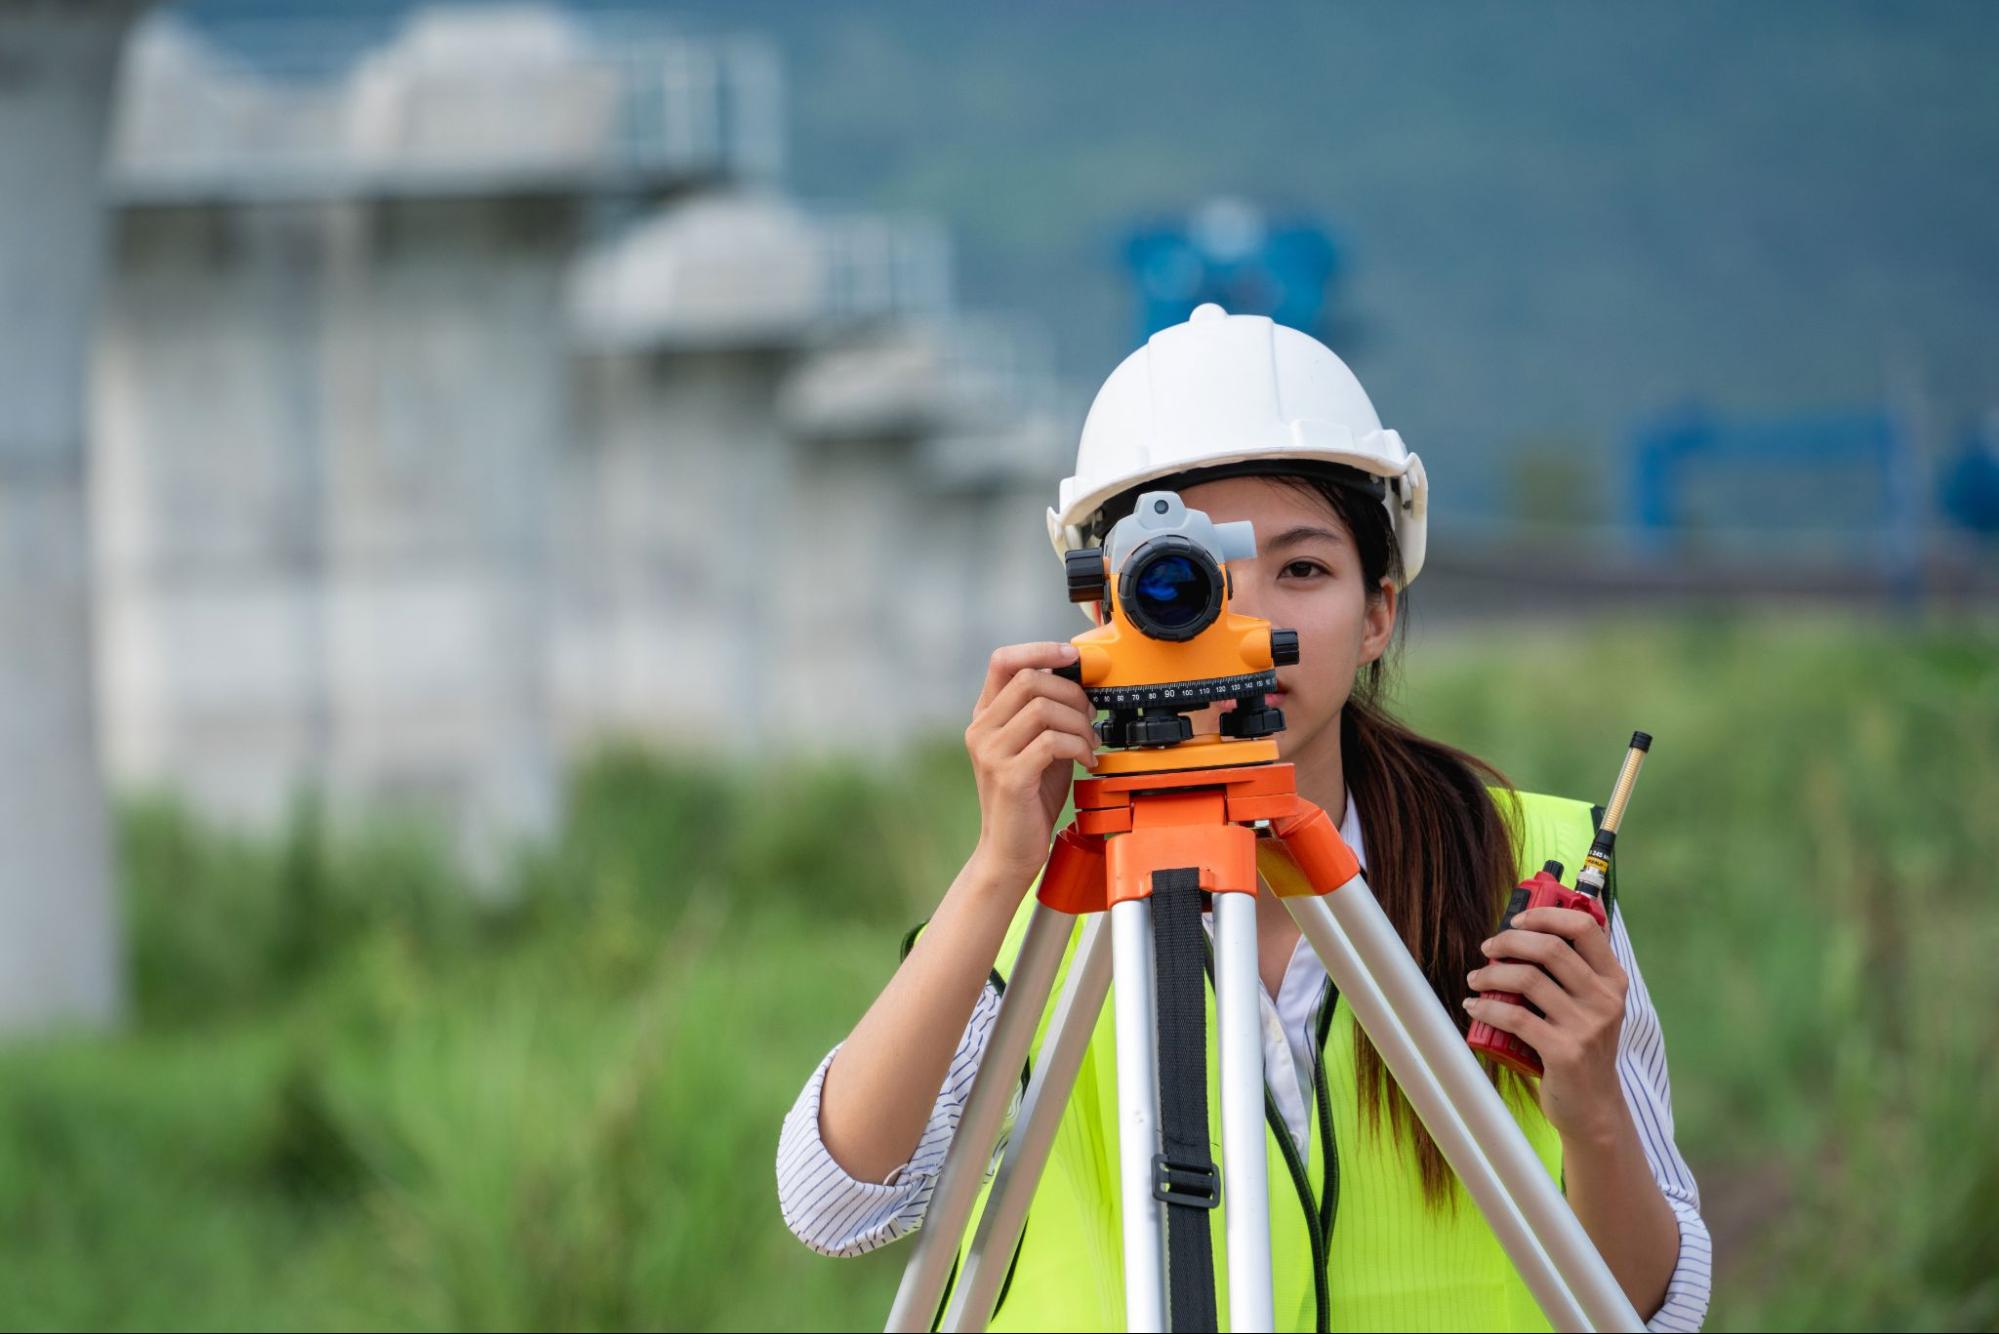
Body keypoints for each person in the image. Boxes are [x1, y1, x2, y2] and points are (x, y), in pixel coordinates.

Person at [774, 305, 1710, 1331]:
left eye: (1301, 568)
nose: (1245, 621)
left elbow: (1648, 1314)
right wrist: (1000, 863)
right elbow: (838, 1202)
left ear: (1377, 612)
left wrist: (1594, 1117)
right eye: (1187, 578)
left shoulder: (1523, 870)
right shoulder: (1047, 898)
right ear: (1103, 610)